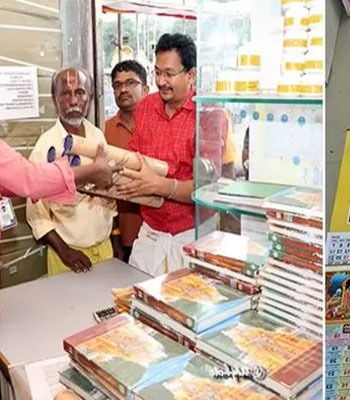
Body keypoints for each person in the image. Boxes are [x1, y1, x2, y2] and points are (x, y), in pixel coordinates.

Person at [116, 33, 232, 276]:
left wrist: (160, 185)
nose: (161, 81)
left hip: (192, 235)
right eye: (157, 72)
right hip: (151, 233)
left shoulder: (208, 113)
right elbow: (135, 158)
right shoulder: (146, 107)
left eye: (169, 74)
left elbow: (206, 188)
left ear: (191, 74)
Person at [26, 67, 117, 274]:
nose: (74, 101)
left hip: (105, 248)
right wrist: (65, 252)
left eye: (80, 92)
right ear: (55, 99)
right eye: (66, 93)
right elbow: (36, 215)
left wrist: (115, 238)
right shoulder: (45, 147)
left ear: (90, 97)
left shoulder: (97, 136)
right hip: (67, 258)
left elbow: (110, 197)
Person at [105, 60, 148, 263]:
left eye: (130, 83)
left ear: (146, 89)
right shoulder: (104, 131)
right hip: (124, 233)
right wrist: (115, 234)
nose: (123, 90)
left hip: (159, 231)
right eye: (117, 85)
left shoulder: (159, 127)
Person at [1, 140, 115, 202]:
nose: (74, 104)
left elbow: (14, 180)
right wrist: (90, 172)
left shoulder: (97, 135)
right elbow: (29, 178)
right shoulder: (46, 141)